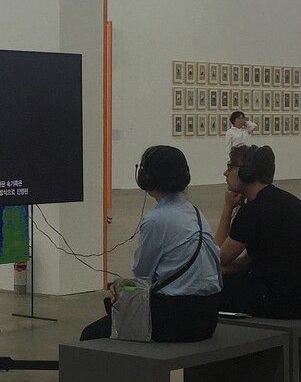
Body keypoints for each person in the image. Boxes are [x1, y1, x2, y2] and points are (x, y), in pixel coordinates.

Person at [81, 145, 221, 342]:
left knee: (90, 335)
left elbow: (142, 274)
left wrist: (123, 287)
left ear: (146, 179)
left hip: (175, 317)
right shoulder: (195, 213)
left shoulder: (155, 220)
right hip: (208, 314)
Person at [215, 144, 301, 318]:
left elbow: (218, 258)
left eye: (231, 167)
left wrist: (228, 207)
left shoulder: (253, 211)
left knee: (207, 291)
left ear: (247, 172)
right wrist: (220, 271)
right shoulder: (279, 200)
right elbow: (247, 260)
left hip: (285, 300)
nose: (226, 173)